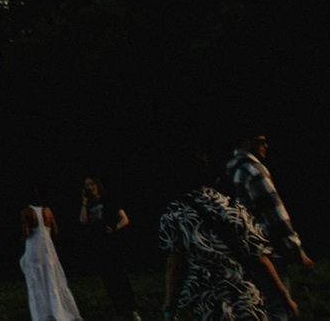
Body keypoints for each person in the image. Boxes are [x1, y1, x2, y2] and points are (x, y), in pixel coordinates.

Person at [159, 156, 295, 321]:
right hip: (245, 300)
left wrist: (169, 310)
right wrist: (284, 296)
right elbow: (260, 258)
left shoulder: (175, 214)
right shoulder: (233, 207)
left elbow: (175, 266)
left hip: (206, 304)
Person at [220, 131, 310, 319]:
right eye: (261, 141)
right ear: (247, 142)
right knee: (276, 308)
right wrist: (298, 251)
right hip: (266, 253)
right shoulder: (254, 172)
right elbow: (275, 215)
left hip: (238, 254)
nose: (265, 145)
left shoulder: (227, 171)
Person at [77, 177, 139, 321]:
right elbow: (83, 221)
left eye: (91, 184)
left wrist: (115, 228)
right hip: (99, 248)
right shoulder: (89, 204)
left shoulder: (108, 201)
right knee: (109, 281)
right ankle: (121, 310)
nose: (89, 187)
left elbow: (125, 218)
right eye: (86, 185)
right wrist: (84, 203)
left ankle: (131, 309)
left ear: (97, 185)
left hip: (112, 245)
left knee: (120, 278)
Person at [20, 198, 84, 321]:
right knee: (53, 278)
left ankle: (42, 314)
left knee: (36, 282)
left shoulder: (26, 212)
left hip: (34, 248)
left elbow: (26, 233)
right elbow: (55, 230)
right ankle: (59, 310)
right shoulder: (48, 210)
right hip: (48, 248)